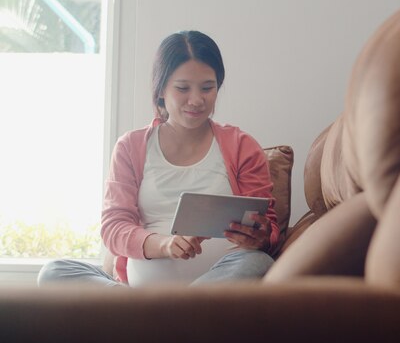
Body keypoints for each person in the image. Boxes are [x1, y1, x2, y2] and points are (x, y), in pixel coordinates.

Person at [37, 30, 281, 287]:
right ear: (161, 88)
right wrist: (165, 244)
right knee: (55, 272)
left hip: (217, 283)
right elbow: (114, 227)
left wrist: (261, 236)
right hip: (145, 290)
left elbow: (270, 231)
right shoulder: (130, 147)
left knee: (258, 263)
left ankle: (158, 317)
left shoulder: (242, 146)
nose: (197, 100)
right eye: (183, 88)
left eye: (207, 88)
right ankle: (165, 316)